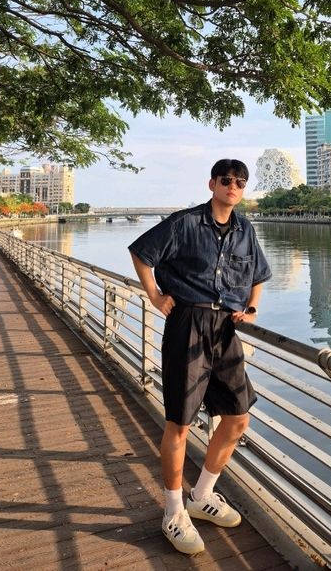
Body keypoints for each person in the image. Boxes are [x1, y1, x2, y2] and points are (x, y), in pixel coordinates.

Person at [128, 158, 271, 555]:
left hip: (226, 328)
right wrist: (155, 295)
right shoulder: (184, 223)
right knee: (180, 422)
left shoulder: (245, 229)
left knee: (238, 416)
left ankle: (202, 494)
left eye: (240, 182)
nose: (233, 186)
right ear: (212, 184)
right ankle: (173, 511)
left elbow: (258, 274)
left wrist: (252, 308)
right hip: (187, 323)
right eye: (226, 180)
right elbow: (142, 254)